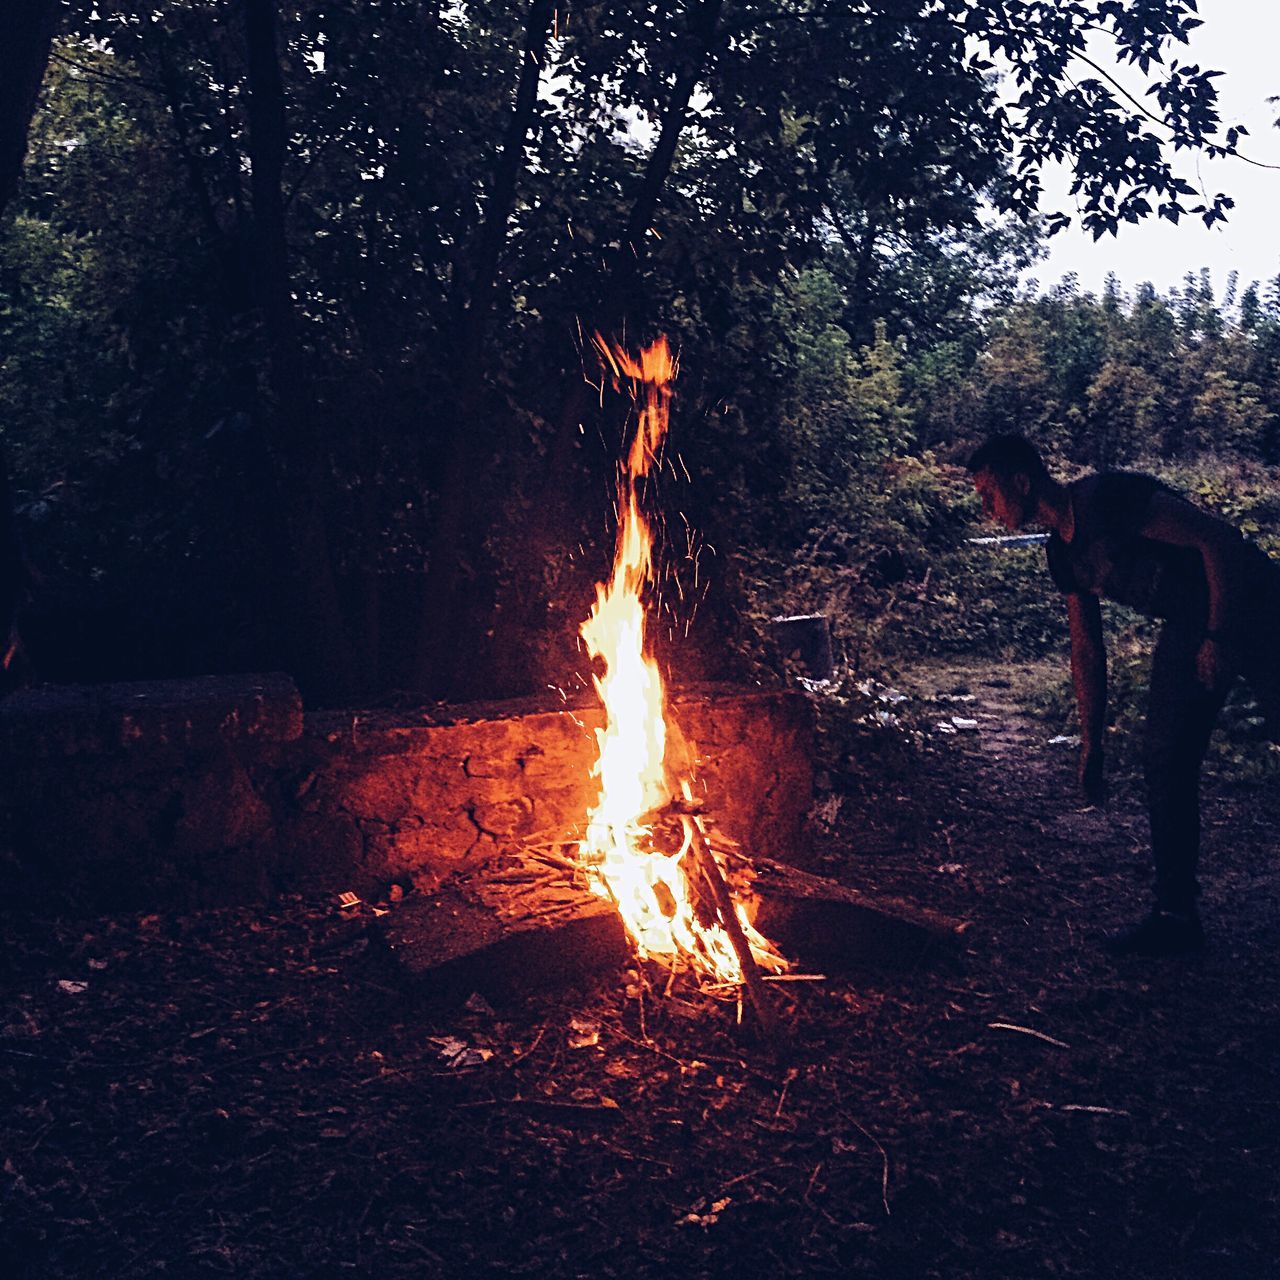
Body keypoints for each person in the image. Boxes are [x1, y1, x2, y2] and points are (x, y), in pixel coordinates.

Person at [967, 434, 1280, 955]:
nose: (988, 510)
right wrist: (1092, 744)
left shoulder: (1107, 499)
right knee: (1165, 756)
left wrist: (1219, 637)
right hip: (1189, 625)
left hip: (1257, 604)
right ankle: (1175, 917)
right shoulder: (1062, 557)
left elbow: (1217, 543)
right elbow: (1087, 650)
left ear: (1022, 482)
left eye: (990, 495)